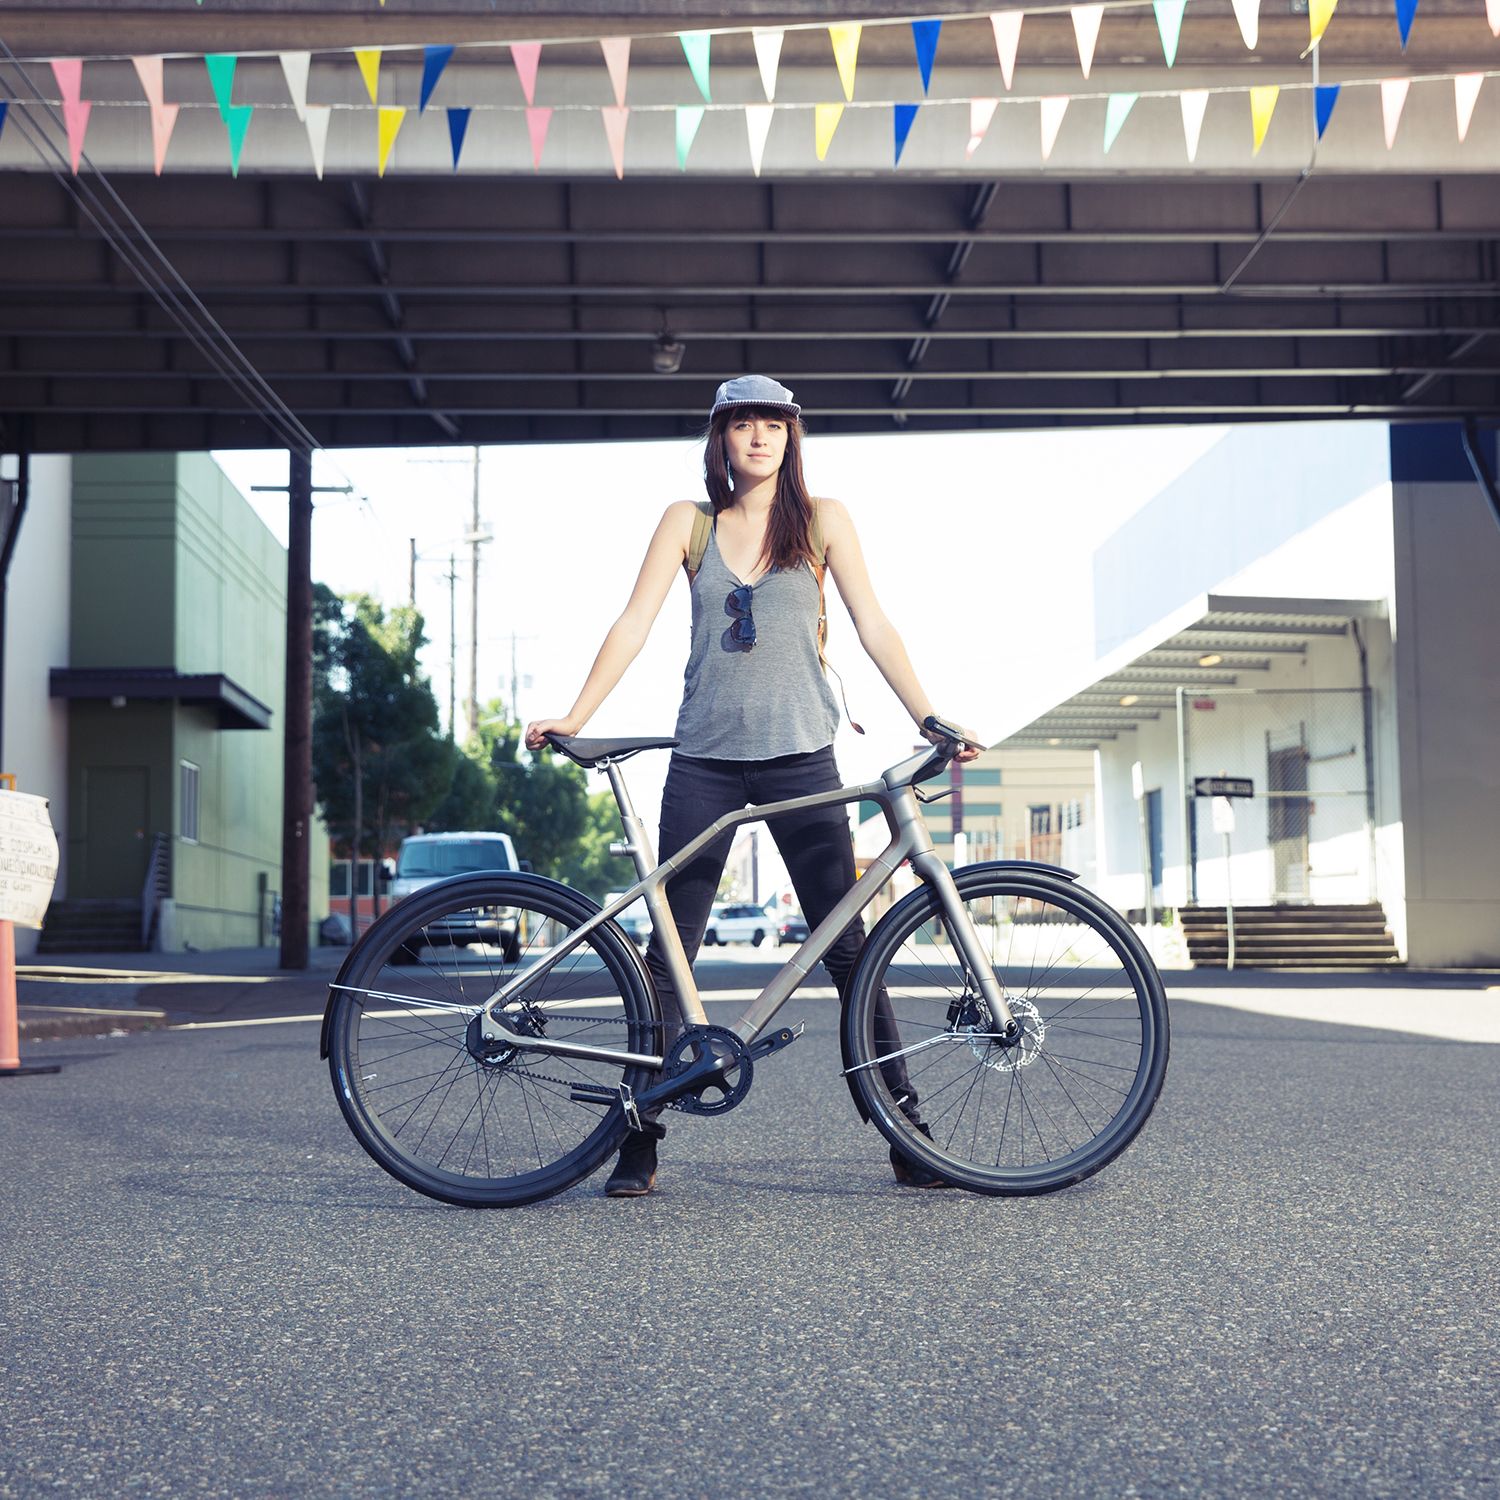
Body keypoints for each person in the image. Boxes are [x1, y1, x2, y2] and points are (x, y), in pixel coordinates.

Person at [525, 374, 979, 1197]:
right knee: (670, 957)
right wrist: (576, 712)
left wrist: (928, 715)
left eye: (775, 424)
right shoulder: (687, 523)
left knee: (850, 950)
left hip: (803, 756)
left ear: (791, 436)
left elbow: (873, 621)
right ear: (720, 439)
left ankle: (908, 1134)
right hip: (703, 761)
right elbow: (633, 621)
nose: (760, 438)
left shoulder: (824, 520)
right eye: (744, 425)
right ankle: (639, 1136)